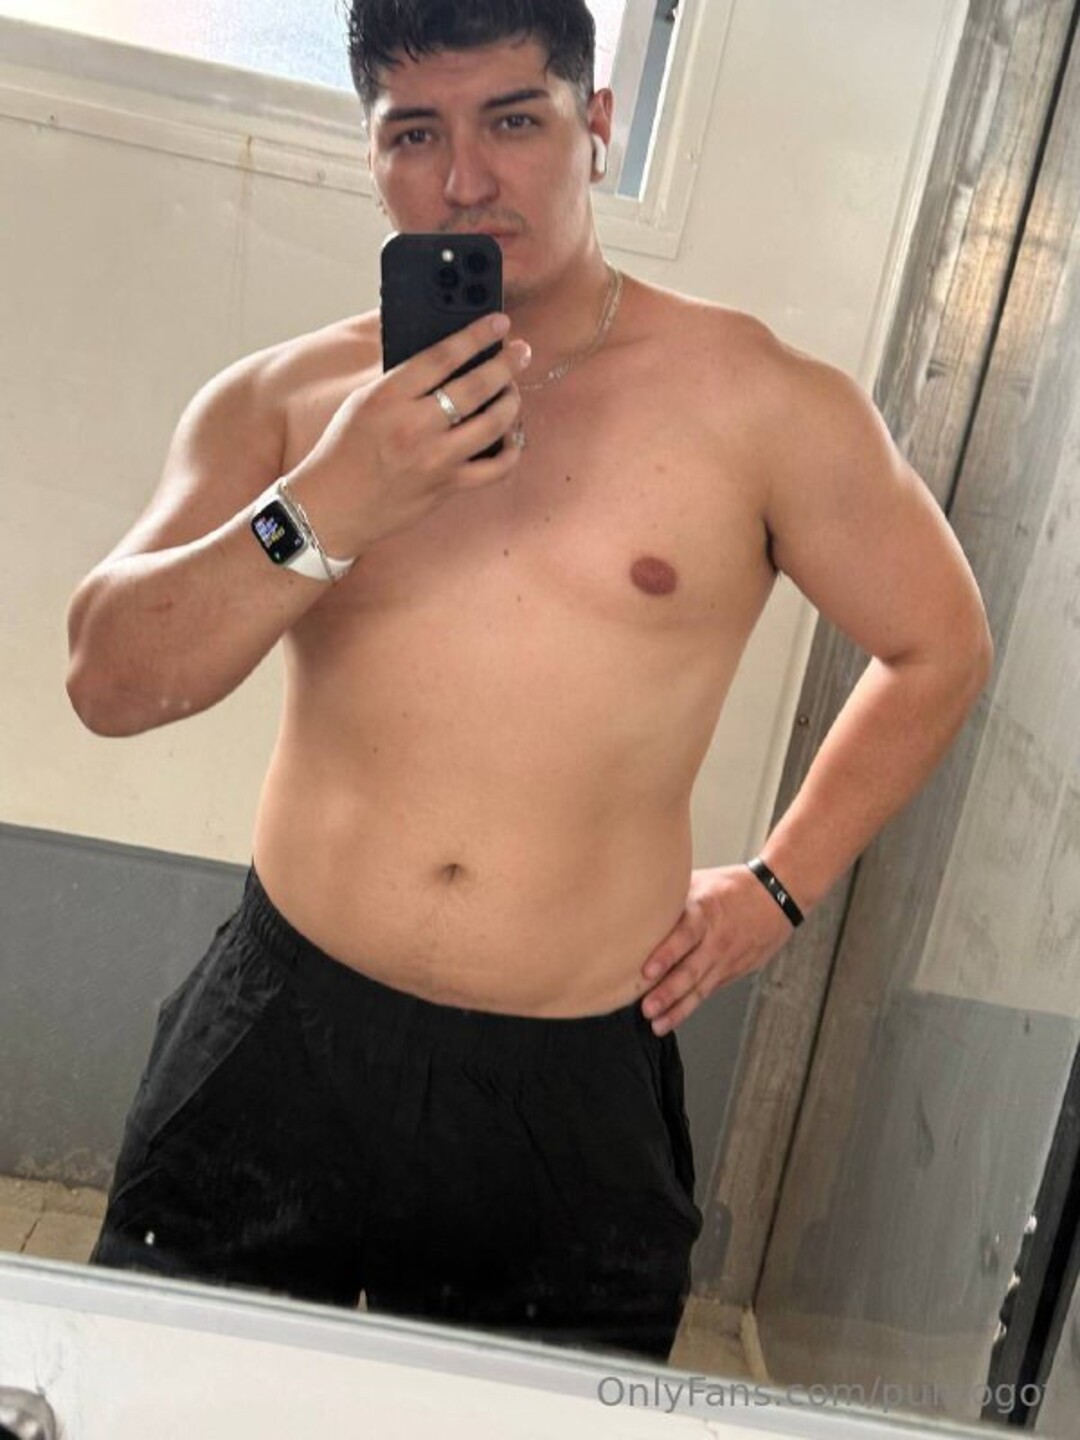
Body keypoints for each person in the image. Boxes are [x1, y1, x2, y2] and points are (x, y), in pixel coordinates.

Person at [66, 0, 993, 1361]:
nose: (464, 180)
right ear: (371, 152)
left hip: (567, 1076)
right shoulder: (288, 403)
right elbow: (110, 680)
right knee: (174, 1391)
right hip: (283, 1027)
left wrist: (780, 887)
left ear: (595, 124)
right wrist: (323, 507)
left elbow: (940, 644)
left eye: (513, 120)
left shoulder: (761, 402)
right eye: (414, 135)